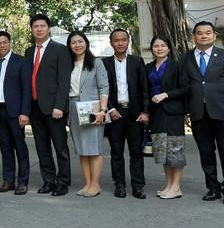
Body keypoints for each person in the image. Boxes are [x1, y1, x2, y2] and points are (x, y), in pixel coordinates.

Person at [180, 21, 224, 206]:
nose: (204, 36)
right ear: (194, 37)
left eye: (208, 33)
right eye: (200, 33)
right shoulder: (187, 59)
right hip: (199, 114)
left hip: (223, 113)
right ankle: (213, 188)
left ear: (214, 35)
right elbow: (185, 86)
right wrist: (185, 111)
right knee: (206, 153)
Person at [24, 14, 72, 196]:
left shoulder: (60, 50)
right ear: (32, 29)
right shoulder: (29, 52)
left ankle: (63, 182)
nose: (39, 29)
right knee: (42, 147)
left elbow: (63, 80)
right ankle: (49, 181)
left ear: (49, 28)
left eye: (42, 26)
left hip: (54, 108)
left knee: (60, 147)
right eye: (35, 26)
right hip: (35, 107)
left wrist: (60, 106)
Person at [102, 29, 149, 199]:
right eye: (116, 40)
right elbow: (102, 89)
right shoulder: (105, 63)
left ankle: (138, 186)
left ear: (128, 41)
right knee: (116, 151)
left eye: (123, 40)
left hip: (135, 113)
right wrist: (111, 108)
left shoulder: (137, 61)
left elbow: (145, 87)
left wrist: (145, 111)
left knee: (136, 151)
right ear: (111, 42)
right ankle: (119, 184)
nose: (120, 43)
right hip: (115, 113)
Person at [66, 31, 109, 197]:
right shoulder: (68, 64)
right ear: (69, 46)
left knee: (94, 148)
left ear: (86, 43)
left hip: (93, 108)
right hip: (73, 107)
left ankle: (95, 184)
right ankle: (87, 183)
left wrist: (102, 111)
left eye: (80, 41)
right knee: (81, 149)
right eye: (73, 42)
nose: (77, 45)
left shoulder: (96, 63)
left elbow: (104, 87)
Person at [0, 31, 30, 195]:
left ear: (9, 43)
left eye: (5, 42)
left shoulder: (21, 62)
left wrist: (25, 112)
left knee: (20, 147)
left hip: (15, 112)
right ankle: (8, 180)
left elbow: (26, 89)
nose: (2, 45)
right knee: (5, 148)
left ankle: (23, 181)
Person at [146, 35, 186, 200]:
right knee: (163, 150)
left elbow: (186, 88)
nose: (159, 48)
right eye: (156, 46)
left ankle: (176, 187)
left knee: (175, 150)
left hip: (172, 112)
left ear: (169, 48)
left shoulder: (176, 66)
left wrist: (166, 95)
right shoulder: (148, 67)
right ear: (152, 49)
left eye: (163, 45)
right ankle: (168, 185)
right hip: (156, 113)